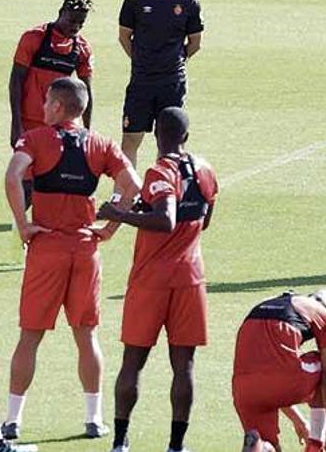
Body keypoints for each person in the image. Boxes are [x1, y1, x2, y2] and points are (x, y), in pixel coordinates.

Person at [2, 77, 142, 441]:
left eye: (47, 102)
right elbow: (133, 186)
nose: (43, 108)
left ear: (59, 107)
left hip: (47, 249)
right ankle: (94, 419)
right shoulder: (101, 144)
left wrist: (23, 224)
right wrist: (111, 227)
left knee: (29, 336)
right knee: (86, 336)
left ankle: (12, 420)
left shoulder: (36, 139)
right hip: (85, 251)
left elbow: (13, 176)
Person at [95, 107, 218, 452]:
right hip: (190, 278)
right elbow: (203, 219)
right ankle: (176, 446)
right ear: (186, 136)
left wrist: (118, 214)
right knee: (184, 364)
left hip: (151, 279)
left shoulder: (159, 171)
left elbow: (165, 219)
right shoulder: (206, 170)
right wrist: (144, 215)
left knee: (133, 361)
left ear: (155, 135)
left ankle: (120, 442)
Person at [9, 0, 94, 206]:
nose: (75, 27)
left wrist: (86, 131)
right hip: (29, 122)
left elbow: (86, 92)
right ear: (61, 13)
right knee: (27, 182)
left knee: (51, 179)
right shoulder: (34, 38)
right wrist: (16, 123)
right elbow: (16, 81)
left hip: (59, 126)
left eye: (80, 24)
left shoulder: (81, 49)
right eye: (72, 21)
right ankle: (21, 228)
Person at [119, 0, 204, 167]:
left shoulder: (188, 2)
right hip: (141, 81)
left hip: (172, 83)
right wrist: (141, 60)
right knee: (130, 138)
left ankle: (162, 191)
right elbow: (124, 37)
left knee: (168, 142)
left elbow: (195, 42)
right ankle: (125, 195)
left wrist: (175, 60)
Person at [233, 291, 326, 452]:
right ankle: (315, 446)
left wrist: (298, 420)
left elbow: (267, 380)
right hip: (281, 380)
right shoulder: (323, 314)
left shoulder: (266, 304)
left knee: (270, 446)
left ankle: (262, 447)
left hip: (244, 391)